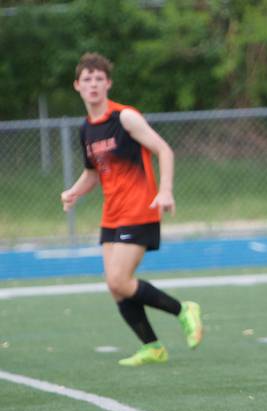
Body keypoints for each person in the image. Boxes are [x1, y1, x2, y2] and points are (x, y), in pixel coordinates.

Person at [61, 52, 203, 366]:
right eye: (87, 80)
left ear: (108, 83)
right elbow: (93, 173)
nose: (94, 84)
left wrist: (165, 190)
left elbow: (163, 150)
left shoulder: (124, 118)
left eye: (99, 79)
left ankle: (183, 310)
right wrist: (74, 191)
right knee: (116, 288)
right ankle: (152, 347)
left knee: (118, 280)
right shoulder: (86, 128)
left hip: (140, 208)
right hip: (112, 214)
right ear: (77, 86)